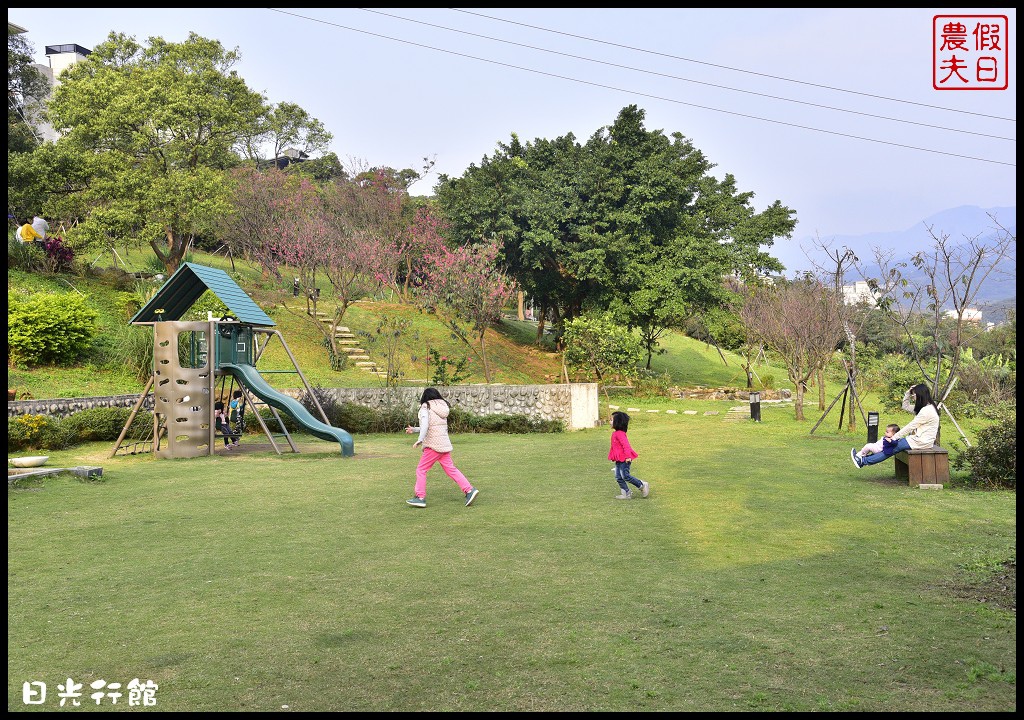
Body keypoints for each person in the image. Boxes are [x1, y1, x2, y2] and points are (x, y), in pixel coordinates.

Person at [404, 387, 479, 508]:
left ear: (425, 397)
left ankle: (420, 497)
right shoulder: (442, 407)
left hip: (433, 445)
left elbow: (426, 425)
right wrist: (414, 430)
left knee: (421, 470)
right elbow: (431, 426)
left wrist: (420, 439)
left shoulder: (425, 407)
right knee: (451, 469)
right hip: (443, 444)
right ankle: (469, 490)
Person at [853, 384, 939, 468]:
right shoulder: (924, 407)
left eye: (914, 394)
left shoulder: (927, 411)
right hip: (917, 439)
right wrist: (908, 393)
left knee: (890, 449)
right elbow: (905, 406)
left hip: (921, 441)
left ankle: (863, 461)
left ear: (920, 395)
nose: (913, 396)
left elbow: (910, 426)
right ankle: (863, 459)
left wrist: (894, 437)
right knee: (888, 447)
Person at [608, 411, 650, 499]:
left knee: (625, 476)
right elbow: (614, 448)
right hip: (619, 459)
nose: (610, 422)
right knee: (618, 477)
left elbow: (626, 445)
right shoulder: (615, 433)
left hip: (625, 459)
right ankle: (626, 493)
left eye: (611, 420)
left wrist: (628, 457)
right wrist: (613, 457)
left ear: (618, 422)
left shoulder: (620, 434)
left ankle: (642, 485)